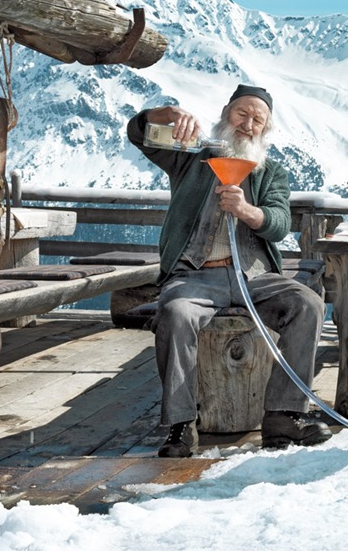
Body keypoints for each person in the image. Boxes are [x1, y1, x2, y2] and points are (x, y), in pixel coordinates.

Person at [127, 84, 332, 458]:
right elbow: (137, 133)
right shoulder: (192, 157)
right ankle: (180, 425)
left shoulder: (271, 172)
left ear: (265, 129)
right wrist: (168, 114)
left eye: (258, 120)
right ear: (225, 113)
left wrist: (248, 212)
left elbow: (279, 223)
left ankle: (284, 416)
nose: (248, 124)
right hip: (193, 275)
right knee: (174, 313)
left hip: (252, 277)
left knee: (309, 304)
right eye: (242, 114)